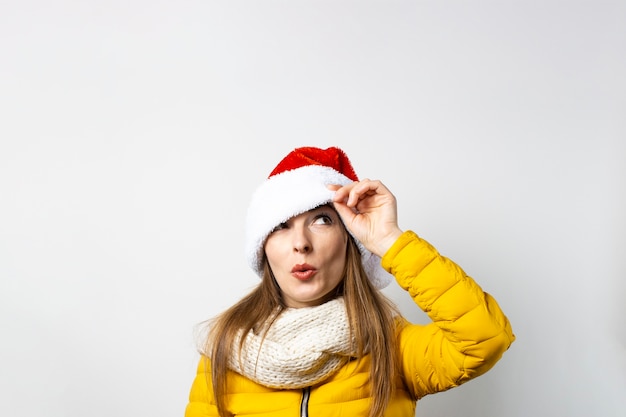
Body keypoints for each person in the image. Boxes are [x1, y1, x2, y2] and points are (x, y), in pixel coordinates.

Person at [185, 146, 515, 417]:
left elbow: (485, 336)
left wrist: (389, 240)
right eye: (281, 225)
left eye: (322, 220)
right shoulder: (228, 347)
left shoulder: (390, 344)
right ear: (263, 247)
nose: (300, 243)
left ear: (349, 240)